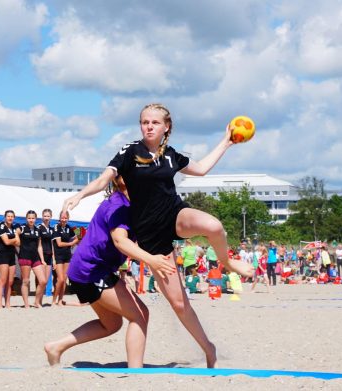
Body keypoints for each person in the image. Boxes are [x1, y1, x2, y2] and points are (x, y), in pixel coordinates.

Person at [62, 103, 254, 367]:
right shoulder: (130, 152)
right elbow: (104, 179)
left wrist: (226, 141)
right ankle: (209, 348)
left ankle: (229, 262)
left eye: (154, 122)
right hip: (150, 235)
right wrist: (79, 195)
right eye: (144, 122)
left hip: (174, 215)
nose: (148, 126)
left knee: (213, 225)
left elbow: (201, 169)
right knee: (178, 303)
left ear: (166, 127)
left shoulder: (171, 154)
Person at [44, 176, 175, 367]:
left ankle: (56, 347)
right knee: (140, 315)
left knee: (111, 324)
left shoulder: (129, 204)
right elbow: (120, 241)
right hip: (91, 270)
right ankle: (136, 371)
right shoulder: (118, 206)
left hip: (90, 269)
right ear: (122, 181)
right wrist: (152, 260)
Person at [18, 210, 47, 308]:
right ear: (26, 219)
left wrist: (42, 260)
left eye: (33, 218)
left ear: (36, 219)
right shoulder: (21, 228)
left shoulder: (38, 229)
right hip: (24, 257)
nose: (31, 220)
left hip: (35, 258)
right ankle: (26, 304)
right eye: (29, 218)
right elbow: (15, 235)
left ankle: (36, 302)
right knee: (26, 281)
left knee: (43, 281)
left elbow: (39, 246)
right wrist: (17, 245)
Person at [52, 210, 79, 306]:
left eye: (65, 218)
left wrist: (75, 240)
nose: (63, 219)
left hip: (67, 255)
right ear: (59, 218)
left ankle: (60, 300)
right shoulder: (56, 227)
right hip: (58, 255)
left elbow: (77, 237)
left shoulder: (69, 227)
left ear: (68, 218)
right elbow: (59, 244)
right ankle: (54, 300)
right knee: (60, 279)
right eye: (62, 218)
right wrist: (71, 243)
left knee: (65, 279)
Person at [0, 210, 19, 309]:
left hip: (11, 256)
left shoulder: (14, 227)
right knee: (2, 281)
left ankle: (8, 303)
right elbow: (6, 242)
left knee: (10, 282)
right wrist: (15, 239)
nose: (10, 218)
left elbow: (19, 243)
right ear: (5, 217)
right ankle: (0, 304)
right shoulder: (1, 226)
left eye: (12, 216)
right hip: (2, 255)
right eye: (8, 216)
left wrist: (13, 240)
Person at [38, 209, 55, 300]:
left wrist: (54, 259)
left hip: (49, 256)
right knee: (41, 280)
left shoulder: (51, 229)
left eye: (48, 216)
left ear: (51, 217)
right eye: (45, 216)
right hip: (42, 256)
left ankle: (43, 298)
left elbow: (52, 244)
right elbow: (39, 245)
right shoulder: (39, 228)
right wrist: (42, 259)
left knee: (46, 279)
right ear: (42, 217)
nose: (46, 218)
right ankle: (38, 300)